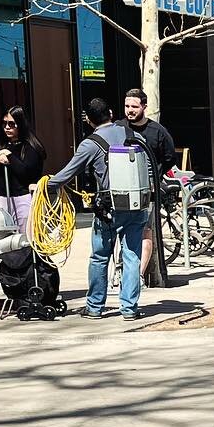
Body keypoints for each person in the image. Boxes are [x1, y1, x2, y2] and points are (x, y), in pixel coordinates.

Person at [47, 97, 150, 321]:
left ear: (89, 120)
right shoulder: (134, 136)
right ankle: (129, 309)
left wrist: (45, 185)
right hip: (136, 203)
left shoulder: (90, 144)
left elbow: (67, 174)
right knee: (132, 256)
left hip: (108, 208)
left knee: (100, 257)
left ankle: (95, 307)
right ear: (111, 113)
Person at [121, 87, 177, 282]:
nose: (130, 110)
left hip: (148, 190)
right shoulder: (120, 128)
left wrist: (156, 175)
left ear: (144, 106)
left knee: (146, 231)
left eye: (134, 106)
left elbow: (170, 157)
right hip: (123, 190)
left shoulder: (157, 131)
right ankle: (122, 273)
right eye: (127, 106)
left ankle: (137, 276)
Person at [0, 106, 46, 231]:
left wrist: (8, 156)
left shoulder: (30, 147)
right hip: (2, 198)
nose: (7, 127)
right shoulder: (1, 145)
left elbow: (26, 173)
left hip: (23, 198)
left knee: (25, 238)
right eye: (4, 123)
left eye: (11, 124)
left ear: (21, 124)